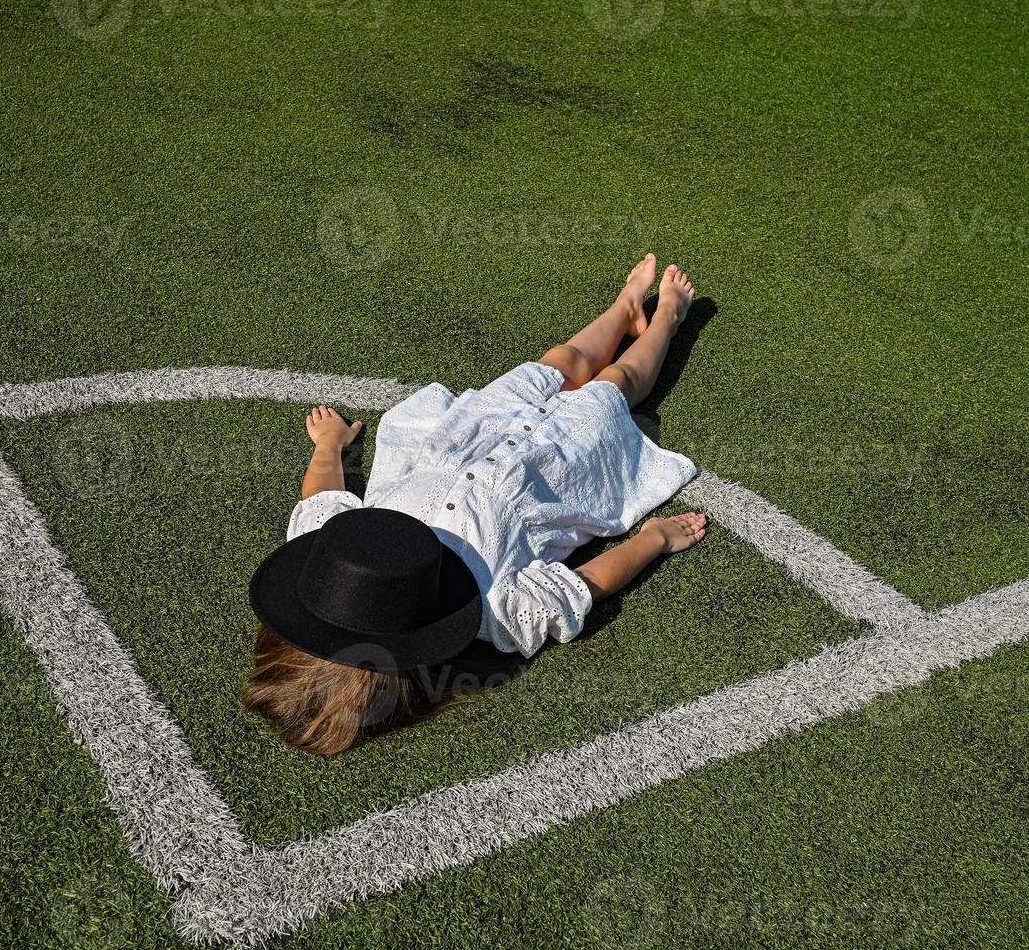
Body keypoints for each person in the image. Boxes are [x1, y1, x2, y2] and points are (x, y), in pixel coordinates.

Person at [245, 255, 707, 755]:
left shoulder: (328, 559)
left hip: (467, 437)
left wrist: (329, 445)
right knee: (616, 385)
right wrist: (654, 539)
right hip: (557, 469)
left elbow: (321, 499)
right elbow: (584, 585)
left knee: (560, 362)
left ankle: (624, 309)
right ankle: (666, 319)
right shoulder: (492, 613)